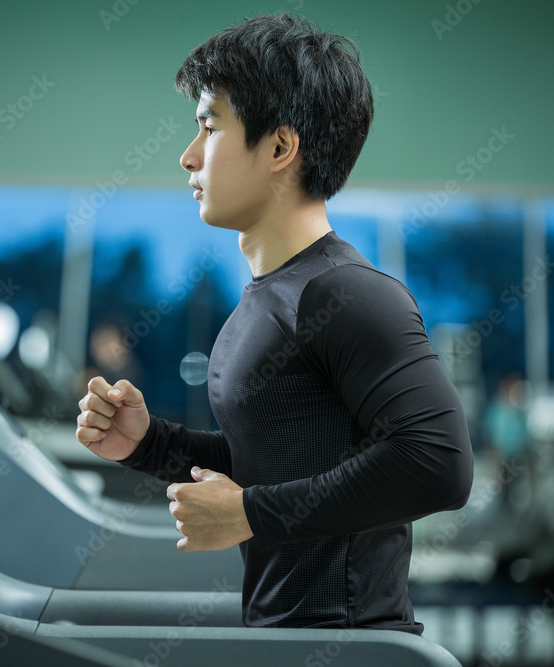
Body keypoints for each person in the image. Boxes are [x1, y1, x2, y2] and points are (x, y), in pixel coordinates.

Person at [75, 13, 473, 634]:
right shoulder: (269, 298)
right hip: (282, 639)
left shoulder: (348, 293)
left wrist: (251, 515)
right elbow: (272, 465)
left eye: (210, 127)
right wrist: (149, 444)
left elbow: (438, 463)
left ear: (281, 148)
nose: (188, 156)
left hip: (349, 647)